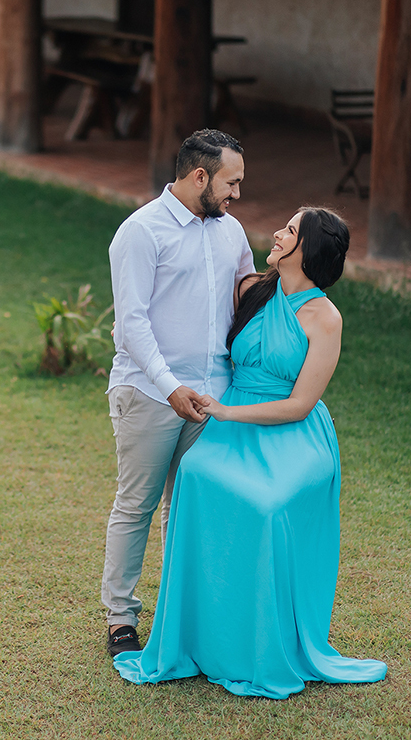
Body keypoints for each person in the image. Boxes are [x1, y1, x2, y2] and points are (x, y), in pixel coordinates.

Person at [112, 206, 387, 699]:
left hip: (292, 435)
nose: (278, 233)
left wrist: (225, 413)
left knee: (266, 504)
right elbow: (192, 292)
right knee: (194, 473)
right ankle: (199, 635)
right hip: (231, 417)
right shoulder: (255, 290)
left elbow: (301, 404)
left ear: (308, 250)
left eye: (290, 230)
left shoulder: (325, 317)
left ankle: (259, 643)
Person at [103, 129, 256, 658]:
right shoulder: (141, 232)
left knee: (189, 509)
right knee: (137, 505)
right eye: (230, 182)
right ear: (200, 177)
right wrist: (170, 388)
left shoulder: (230, 230)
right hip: (150, 392)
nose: (236, 193)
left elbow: (247, 295)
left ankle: (181, 613)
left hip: (212, 397)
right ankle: (120, 618)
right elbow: (132, 324)